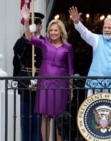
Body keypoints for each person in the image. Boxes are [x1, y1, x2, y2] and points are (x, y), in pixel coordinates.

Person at [21, 4, 74, 141]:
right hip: (45, 83)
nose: (53, 33)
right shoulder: (44, 42)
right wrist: (26, 21)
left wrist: (71, 88)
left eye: (56, 30)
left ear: (61, 31)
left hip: (61, 84)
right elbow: (29, 38)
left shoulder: (68, 47)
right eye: (51, 30)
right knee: (45, 116)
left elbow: (71, 69)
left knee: (59, 116)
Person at [68, 6, 111, 104]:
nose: (106, 30)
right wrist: (77, 22)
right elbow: (85, 33)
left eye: (110, 28)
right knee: (93, 116)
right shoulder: (97, 39)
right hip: (96, 87)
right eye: (105, 27)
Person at [13, 12, 44, 141]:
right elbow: (16, 56)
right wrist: (27, 35)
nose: (33, 27)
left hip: (40, 81)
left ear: (40, 26)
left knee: (37, 119)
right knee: (25, 118)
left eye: (35, 24)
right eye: (31, 25)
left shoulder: (44, 41)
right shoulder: (22, 41)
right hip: (25, 82)